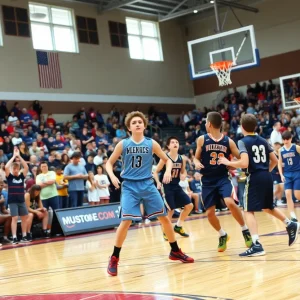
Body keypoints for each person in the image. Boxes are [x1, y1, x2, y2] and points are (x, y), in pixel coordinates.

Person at [106, 111, 194, 276]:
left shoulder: (151, 143)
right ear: (129, 127)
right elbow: (109, 163)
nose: (138, 124)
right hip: (130, 186)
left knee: (164, 218)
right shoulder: (123, 144)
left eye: (140, 122)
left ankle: (175, 251)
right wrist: (111, 176)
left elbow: (167, 159)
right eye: (134, 122)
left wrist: (167, 171)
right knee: (125, 222)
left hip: (148, 184)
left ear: (145, 126)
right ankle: (114, 257)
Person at [219, 114, 299, 256]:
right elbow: (274, 160)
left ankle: (256, 245)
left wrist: (228, 162)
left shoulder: (243, 141)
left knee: (247, 210)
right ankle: (290, 223)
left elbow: (244, 163)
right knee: (268, 207)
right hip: (267, 176)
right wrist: (264, 171)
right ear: (255, 126)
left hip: (255, 177)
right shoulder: (263, 140)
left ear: (242, 127)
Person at [193, 111, 252, 252]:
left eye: (206, 122)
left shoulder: (228, 141)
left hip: (222, 179)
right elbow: (196, 157)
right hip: (207, 181)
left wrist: (233, 163)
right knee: (209, 213)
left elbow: (241, 158)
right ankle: (222, 234)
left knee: (230, 202)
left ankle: (245, 230)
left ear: (209, 124)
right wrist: (195, 163)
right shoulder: (202, 139)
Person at [153, 136, 193, 241]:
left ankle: (178, 226)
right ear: (168, 146)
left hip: (176, 186)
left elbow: (183, 171)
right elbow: (156, 172)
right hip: (167, 187)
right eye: (172, 142)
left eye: (177, 142)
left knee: (189, 205)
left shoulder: (181, 158)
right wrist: (157, 182)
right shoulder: (165, 158)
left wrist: (184, 175)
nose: (175, 143)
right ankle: (165, 232)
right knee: (170, 210)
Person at [5, 147, 30, 244]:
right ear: (12, 169)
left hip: (21, 200)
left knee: (24, 217)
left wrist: (19, 156)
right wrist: (14, 156)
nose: (16, 170)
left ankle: (24, 236)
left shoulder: (21, 177)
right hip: (12, 201)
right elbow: (6, 167)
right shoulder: (10, 177)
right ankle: (14, 237)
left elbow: (26, 167)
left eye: (17, 169)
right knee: (15, 218)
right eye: (14, 169)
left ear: (19, 169)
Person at [278, 130, 300, 221]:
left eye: (287, 139)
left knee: (297, 195)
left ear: (291, 139)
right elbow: (279, 163)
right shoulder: (280, 150)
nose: (285, 141)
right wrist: (281, 174)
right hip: (287, 174)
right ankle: (292, 215)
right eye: (284, 139)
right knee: (287, 194)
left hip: (297, 172)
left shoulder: (296, 147)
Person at [0, 179, 12, 245]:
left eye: (2, 185)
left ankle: (5, 238)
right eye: (0, 185)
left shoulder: (2, 195)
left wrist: (9, 212)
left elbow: (3, 209)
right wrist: (1, 201)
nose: (1, 186)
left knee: (10, 216)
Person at [272, 142, 284, 206]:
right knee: (276, 188)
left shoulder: (281, 154)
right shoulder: (272, 154)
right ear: (275, 146)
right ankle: (271, 200)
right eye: (277, 147)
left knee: (281, 188)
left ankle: (279, 200)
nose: (278, 148)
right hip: (274, 173)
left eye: (280, 147)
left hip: (280, 173)